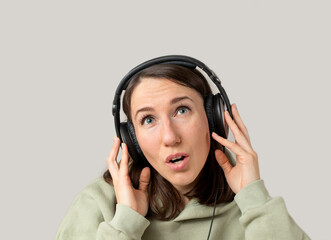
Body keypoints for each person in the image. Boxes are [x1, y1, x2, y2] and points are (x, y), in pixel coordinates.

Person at [55, 56, 310, 240]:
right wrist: (125, 224)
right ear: (131, 138)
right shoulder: (98, 204)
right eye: (148, 120)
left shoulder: (253, 207)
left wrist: (255, 199)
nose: (170, 137)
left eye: (182, 110)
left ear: (214, 118)